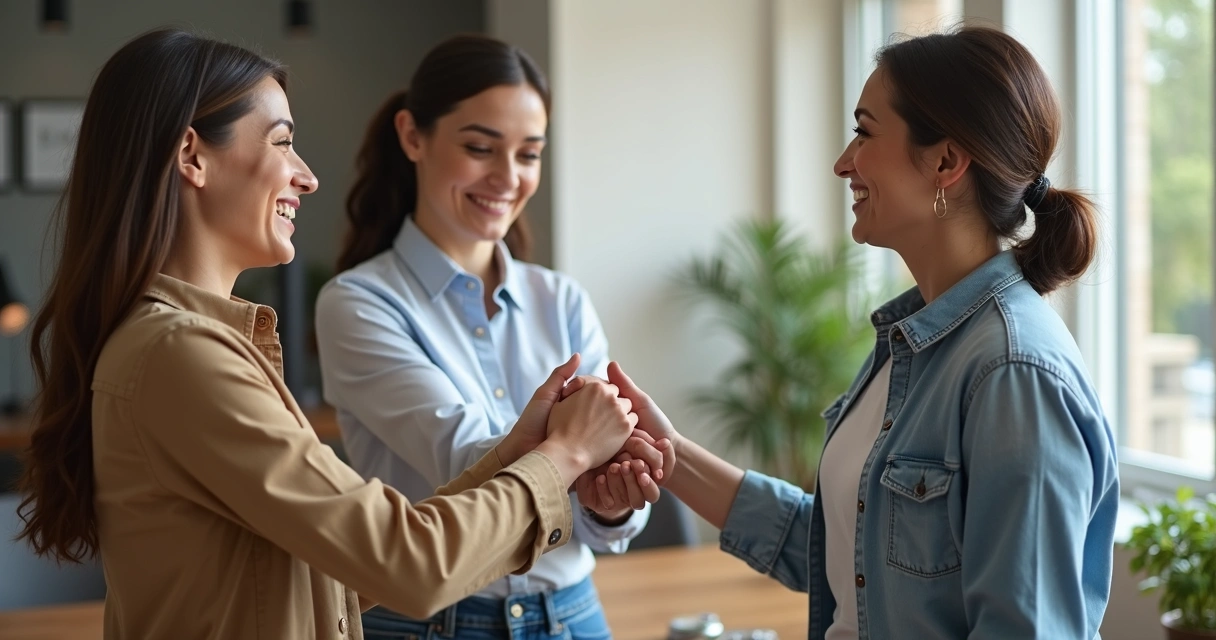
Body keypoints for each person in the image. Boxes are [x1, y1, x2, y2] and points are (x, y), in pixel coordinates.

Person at [15, 28, 659, 640]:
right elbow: (403, 562)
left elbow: (338, 567)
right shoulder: (180, 354)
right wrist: (565, 455)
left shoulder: (190, 346)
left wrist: (523, 448)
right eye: (280, 142)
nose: (306, 175)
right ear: (192, 156)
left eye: (529, 152)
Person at [588, 26, 1120, 639]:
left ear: (946, 161)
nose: (844, 162)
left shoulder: (1012, 374)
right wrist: (669, 452)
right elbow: (845, 556)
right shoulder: (914, 343)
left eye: (865, 132)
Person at [315, 34, 672, 640]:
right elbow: (460, 463)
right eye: (480, 147)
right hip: (429, 624)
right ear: (412, 136)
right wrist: (578, 451)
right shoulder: (358, 304)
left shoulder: (561, 299)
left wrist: (606, 500)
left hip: (572, 612)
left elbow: (599, 476)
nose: (507, 178)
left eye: (529, 154)